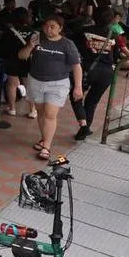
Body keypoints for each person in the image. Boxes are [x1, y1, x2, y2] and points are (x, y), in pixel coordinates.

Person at [19, 14, 82, 161]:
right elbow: (22, 56)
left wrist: (77, 87)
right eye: (46, 26)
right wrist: (30, 46)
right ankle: (43, 138)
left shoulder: (67, 44)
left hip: (58, 84)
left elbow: (76, 66)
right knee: (41, 112)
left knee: (50, 114)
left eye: (53, 27)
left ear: (60, 28)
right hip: (36, 81)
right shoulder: (37, 40)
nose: (48, 29)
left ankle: (47, 146)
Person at [74, 6, 129, 140]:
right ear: (111, 20)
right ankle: (85, 128)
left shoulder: (83, 31)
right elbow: (116, 55)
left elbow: (75, 48)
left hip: (87, 70)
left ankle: (84, 125)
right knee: (92, 101)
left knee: (75, 96)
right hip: (106, 73)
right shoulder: (113, 35)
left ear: (93, 16)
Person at [0, 8, 36, 119]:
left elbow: (2, 48)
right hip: (28, 60)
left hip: (12, 60)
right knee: (29, 86)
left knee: (12, 84)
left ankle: (12, 108)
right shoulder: (32, 31)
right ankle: (32, 110)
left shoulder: (9, 31)